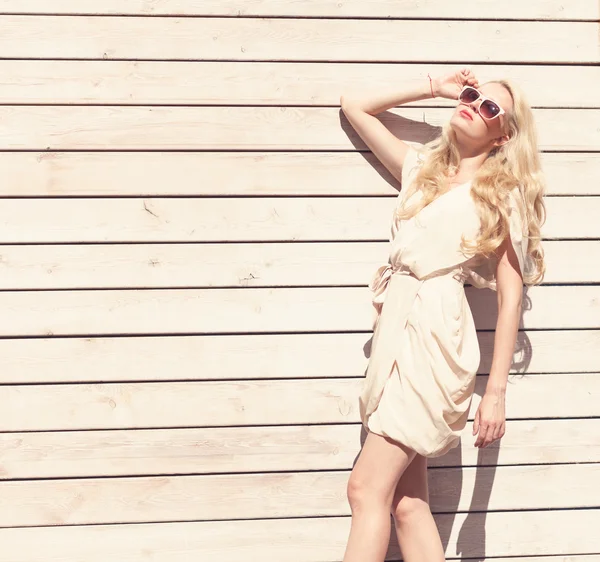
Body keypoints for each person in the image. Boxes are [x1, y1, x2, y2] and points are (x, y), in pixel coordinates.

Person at [338, 68, 547, 562]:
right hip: (394, 330)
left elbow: (510, 295)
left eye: (490, 108)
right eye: (473, 97)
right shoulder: (421, 172)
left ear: (505, 135)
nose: (474, 106)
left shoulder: (502, 196)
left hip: (434, 339)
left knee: (365, 490)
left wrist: (494, 393)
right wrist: (436, 87)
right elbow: (355, 104)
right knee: (408, 504)